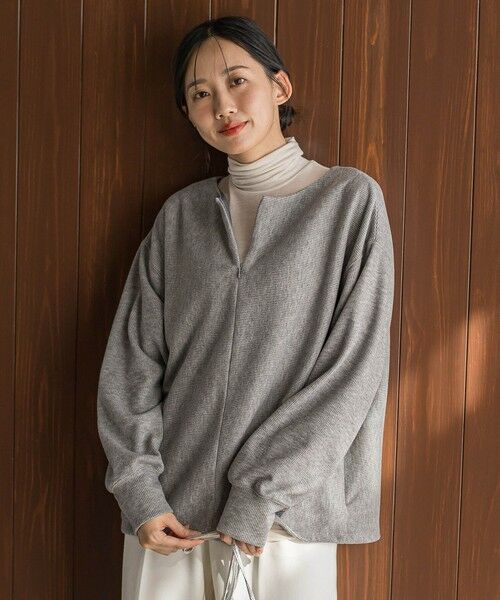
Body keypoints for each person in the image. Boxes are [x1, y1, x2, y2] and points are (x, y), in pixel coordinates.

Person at [96, 15, 395, 600]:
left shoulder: (348, 202)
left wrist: (260, 495)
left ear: (279, 87)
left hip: (284, 526)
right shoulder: (180, 218)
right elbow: (130, 366)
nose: (222, 106)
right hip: (170, 522)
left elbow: (353, 373)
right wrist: (140, 494)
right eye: (199, 94)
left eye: (237, 81)